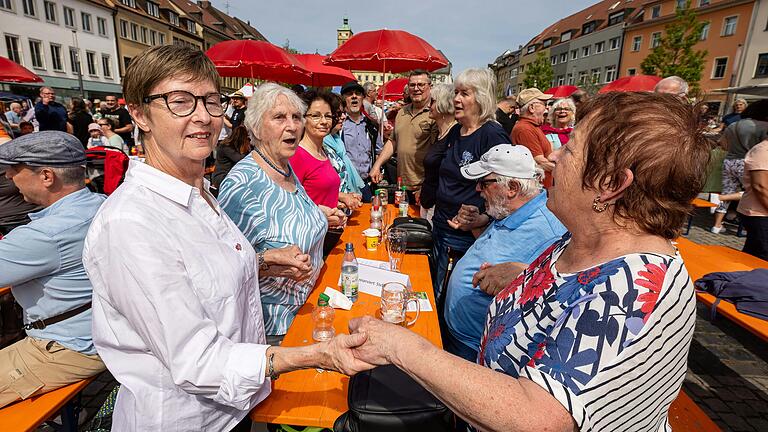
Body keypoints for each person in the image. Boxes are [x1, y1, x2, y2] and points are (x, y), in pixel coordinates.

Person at [349, 91, 710, 432]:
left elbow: (537, 418)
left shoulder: (631, 290)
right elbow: (575, 294)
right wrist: (525, 277)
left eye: (569, 150)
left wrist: (400, 346)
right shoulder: (590, 239)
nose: (551, 159)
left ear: (611, 183)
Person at [82, 46, 369, 432]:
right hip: (189, 421)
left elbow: (203, 279)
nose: (202, 116)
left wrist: (264, 262)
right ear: (139, 114)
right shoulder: (132, 223)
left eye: (211, 101)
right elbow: (198, 361)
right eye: (180, 101)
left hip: (234, 409)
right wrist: (313, 354)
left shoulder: (198, 194)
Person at [219, 83, 346, 342]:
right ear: (255, 126)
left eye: (297, 117)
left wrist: (318, 215)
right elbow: (222, 268)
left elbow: (285, 216)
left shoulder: (283, 167)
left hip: (309, 306)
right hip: (274, 326)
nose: (292, 126)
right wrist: (267, 263)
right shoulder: (242, 184)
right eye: (279, 117)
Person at [0, 131, 107, 408]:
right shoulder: (102, 203)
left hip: (66, 348)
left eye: (14, 169)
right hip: (101, 333)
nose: (8, 177)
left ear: (47, 176)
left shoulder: (45, 235)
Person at [443, 144, 566, 362]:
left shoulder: (549, 230)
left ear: (512, 187)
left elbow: (560, 297)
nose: (477, 189)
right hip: (459, 334)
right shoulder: (510, 210)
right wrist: (476, 225)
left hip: (475, 349)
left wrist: (526, 275)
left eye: (484, 183)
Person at [431, 68, 511, 303]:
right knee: (435, 287)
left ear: (481, 97)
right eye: (456, 92)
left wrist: (483, 218)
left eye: (464, 93)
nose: (456, 99)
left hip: (465, 235)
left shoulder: (492, 135)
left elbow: (506, 191)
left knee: (447, 294)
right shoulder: (457, 130)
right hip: (441, 224)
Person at [369, 70, 437, 198]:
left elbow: (438, 155)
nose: (416, 89)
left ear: (430, 86)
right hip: (402, 185)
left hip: (423, 187)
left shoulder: (435, 114)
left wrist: (428, 185)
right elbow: (393, 141)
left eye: (421, 85)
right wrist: (377, 165)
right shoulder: (402, 112)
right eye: (412, 85)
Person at [711, 100, 768, 233]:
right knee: (752, 192)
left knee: (728, 190)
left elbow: (722, 143)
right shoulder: (763, 126)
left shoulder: (734, 124)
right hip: (749, 163)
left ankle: (717, 225)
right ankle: (743, 227)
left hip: (729, 161)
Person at [291, 90, 352, 209]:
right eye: (316, 116)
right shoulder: (297, 156)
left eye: (328, 116)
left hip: (331, 226)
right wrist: (322, 214)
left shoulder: (324, 152)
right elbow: (292, 204)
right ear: (303, 119)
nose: (324, 121)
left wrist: (337, 204)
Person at [420, 83, 456, 222]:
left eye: (433, 101)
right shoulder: (440, 133)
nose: (429, 105)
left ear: (444, 104)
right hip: (427, 202)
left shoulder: (454, 135)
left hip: (438, 208)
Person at [340, 81, 381, 201]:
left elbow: (379, 150)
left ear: (363, 98)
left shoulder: (371, 125)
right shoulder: (338, 125)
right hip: (345, 185)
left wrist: (378, 168)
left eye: (358, 93)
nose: (354, 96)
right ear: (343, 98)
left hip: (367, 184)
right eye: (349, 94)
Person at [512, 88, 554, 188]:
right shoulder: (525, 129)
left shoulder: (531, 126)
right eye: (544, 103)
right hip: (537, 188)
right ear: (531, 108)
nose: (547, 108)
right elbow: (540, 162)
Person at [324, 98, 365, 198]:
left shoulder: (337, 140)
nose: (343, 117)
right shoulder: (320, 144)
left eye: (343, 112)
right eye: (338, 113)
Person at [737, 139, 768, 260]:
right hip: (759, 213)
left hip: (761, 213)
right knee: (761, 257)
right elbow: (760, 186)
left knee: (752, 255)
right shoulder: (762, 151)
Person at [211, 125, 250, 191]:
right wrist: (249, 148)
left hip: (228, 176)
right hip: (221, 177)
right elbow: (241, 159)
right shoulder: (226, 147)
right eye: (247, 138)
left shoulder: (230, 146)